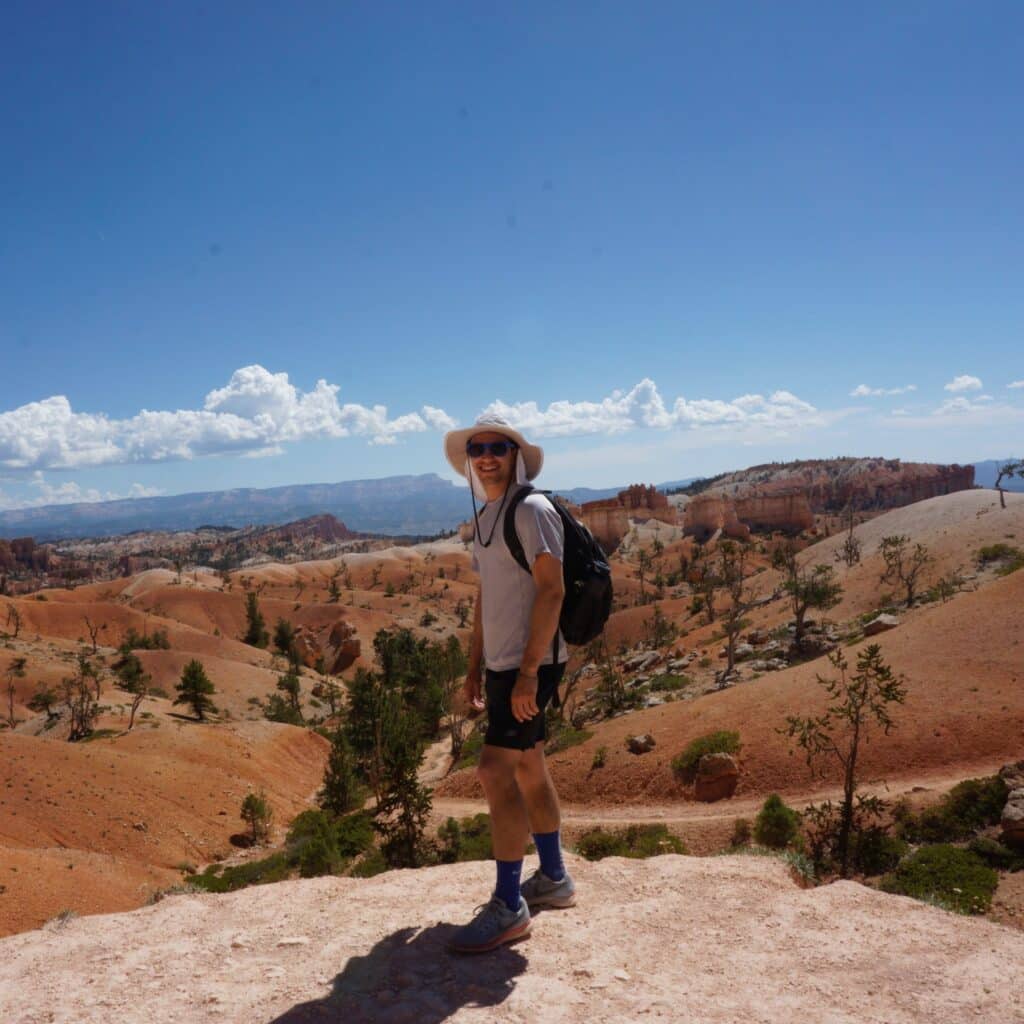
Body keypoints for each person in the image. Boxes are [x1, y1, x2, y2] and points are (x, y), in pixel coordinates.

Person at [443, 414, 577, 954]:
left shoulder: (533, 509)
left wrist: (527, 674)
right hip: (503, 665)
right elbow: (487, 598)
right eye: (477, 448)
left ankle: (508, 905)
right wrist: (474, 665)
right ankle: (553, 878)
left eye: (498, 446)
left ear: (515, 455)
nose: (486, 455)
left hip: (531, 664)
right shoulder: (487, 516)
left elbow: (552, 591)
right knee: (527, 765)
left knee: (492, 768)